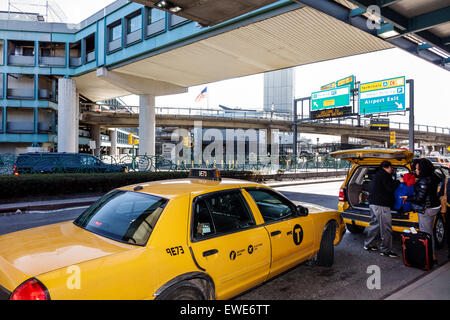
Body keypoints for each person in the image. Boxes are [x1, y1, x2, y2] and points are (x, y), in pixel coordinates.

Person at [401, 158, 441, 262]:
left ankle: (430, 256)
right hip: (435, 206)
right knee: (429, 230)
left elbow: (419, 198)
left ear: (423, 169)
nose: (416, 171)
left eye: (418, 169)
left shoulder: (424, 181)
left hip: (427, 209)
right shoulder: (434, 177)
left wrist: (407, 198)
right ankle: (430, 254)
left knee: (426, 233)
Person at [364, 160, 400, 258]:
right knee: (386, 228)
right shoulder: (385, 175)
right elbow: (390, 188)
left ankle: (368, 244)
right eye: (391, 168)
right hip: (381, 205)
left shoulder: (377, 175)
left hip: (373, 204)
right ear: (388, 167)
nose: (391, 170)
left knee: (374, 224)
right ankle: (385, 250)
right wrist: (399, 181)